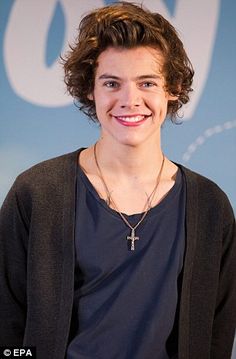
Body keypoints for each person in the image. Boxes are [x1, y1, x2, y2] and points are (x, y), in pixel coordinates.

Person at [0, 2, 235, 359]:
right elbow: (7, 323)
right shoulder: (37, 192)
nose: (130, 100)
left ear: (171, 88)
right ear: (90, 90)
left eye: (147, 82)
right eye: (112, 83)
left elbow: (217, 333)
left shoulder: (209, 206)